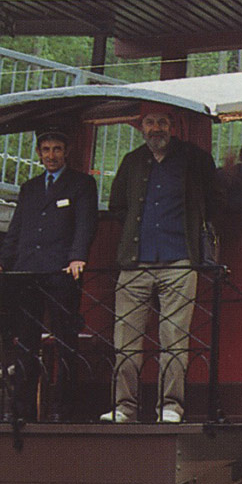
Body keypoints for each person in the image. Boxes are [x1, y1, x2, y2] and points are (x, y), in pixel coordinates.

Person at [103, 102, 217, 424]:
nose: (156, 128)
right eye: (150, 122)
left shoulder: (194, 160)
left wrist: (197, 233)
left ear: (173, 125)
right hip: (134, 263)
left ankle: (171, 406)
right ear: (142, 127)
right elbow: (118, 206)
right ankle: (124, 407)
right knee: (124, 340)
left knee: (175, 339)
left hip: (180, 260)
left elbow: (214, 200)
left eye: (162, 122)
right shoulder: (131, 162)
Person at [0, 126, 98, 423]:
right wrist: (0, 262)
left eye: (57, 149)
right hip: (27, 272)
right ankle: (22, 411)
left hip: (61, 273)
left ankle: (63, 411)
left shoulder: (81, 184)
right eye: (46, 150)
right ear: (38, 153)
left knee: (65, 341)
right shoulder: (30, 188)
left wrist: (77, 258)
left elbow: (85, 225)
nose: (51, 155)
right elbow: (16, 231)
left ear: (66, 151)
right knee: (26, 343)